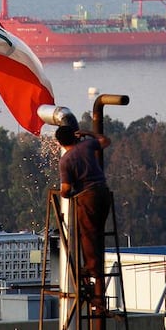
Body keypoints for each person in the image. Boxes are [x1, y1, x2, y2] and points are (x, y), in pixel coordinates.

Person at [56, 125, 112, 314]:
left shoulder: (66, 161)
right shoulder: (87, 145)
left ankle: (92, 271)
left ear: (59, 143)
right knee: (97, 234)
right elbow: (106, 141)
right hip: (104, 194)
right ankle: (97, 286)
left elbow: (64, 189)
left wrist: (66, 195)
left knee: (88, 236)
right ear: (75, 136)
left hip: (87, 197)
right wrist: (89, 133)